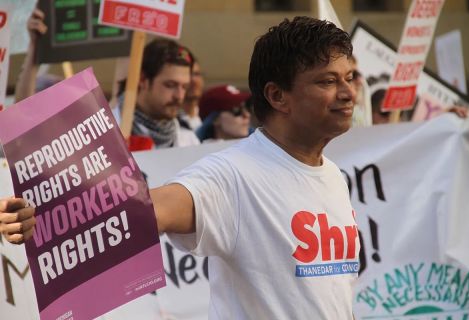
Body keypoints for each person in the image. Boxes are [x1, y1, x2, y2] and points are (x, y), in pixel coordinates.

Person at [0, 17, 359, 319]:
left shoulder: (332, 176)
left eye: (349, 77)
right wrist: (42, 216)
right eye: (328, 81)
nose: (348, 92)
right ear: (277, 95)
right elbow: (146, 211)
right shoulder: (232, 176)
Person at [114, 39, 200, 150]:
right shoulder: (106, 133)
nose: (179, 96)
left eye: (184, 87)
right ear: (143, 80)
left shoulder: (189, 140)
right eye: (170, 85)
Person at [179, 48, 205, 131]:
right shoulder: (170, 123)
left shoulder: (208, 116)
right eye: (188, 75)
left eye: (197, 74)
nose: (193, 80)